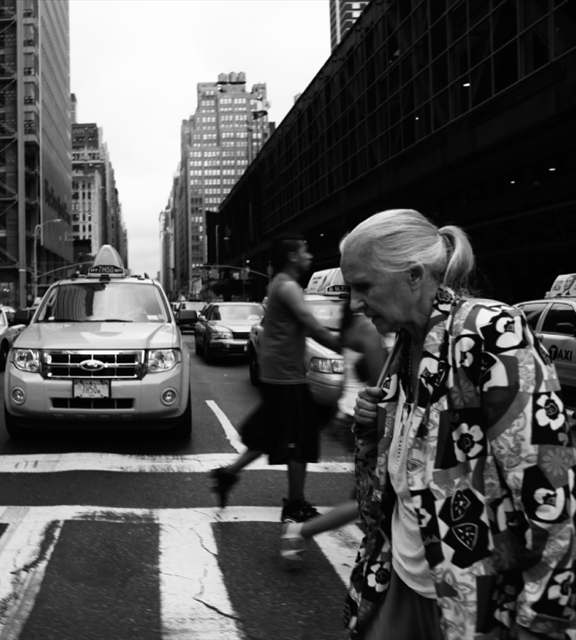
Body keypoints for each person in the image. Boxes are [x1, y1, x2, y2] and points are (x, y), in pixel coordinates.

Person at [341, 209, 574, 640]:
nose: (354, 303)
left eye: (363, 286)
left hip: (472, 602)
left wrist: (543, 616)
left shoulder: (489, 330)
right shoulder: (404, 347)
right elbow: (409, 472)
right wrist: (372, 427)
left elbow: (547, 479)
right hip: (399, 579)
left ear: (413, 276)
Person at [210, 236, 342, 523]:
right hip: (286, 378)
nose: (310, 256)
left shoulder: (279, 285)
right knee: (300, 441)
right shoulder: (288, 286)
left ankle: (226, 475)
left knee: (270, 436)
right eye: (305, 251)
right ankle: (295, 504)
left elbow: (291, 327)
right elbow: (309, 322)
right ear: (292, 256)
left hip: (279, 375)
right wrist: (342, 344)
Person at [280, 298, 387, 560]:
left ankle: (378, 548)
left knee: (366, 494)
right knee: (368, 499)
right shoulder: (369, 330)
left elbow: (347, 379)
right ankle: (300, 530)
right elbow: (383, 384)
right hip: (365, 419)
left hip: (349, 414)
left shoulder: (353, 327)